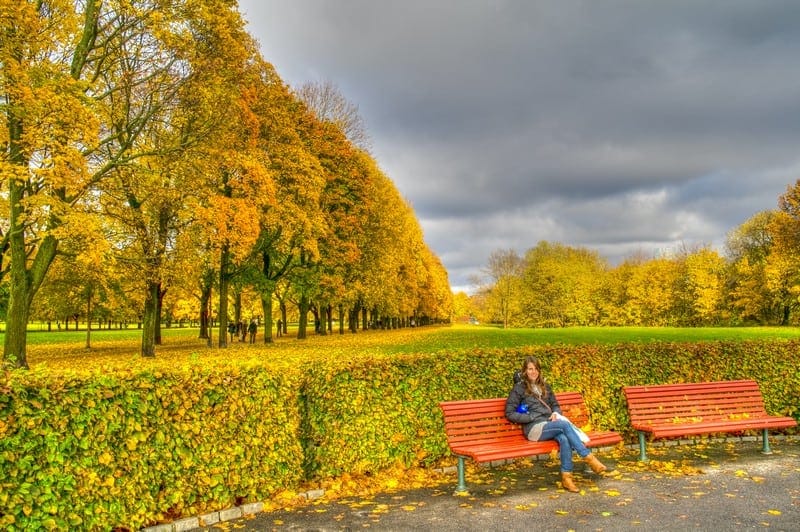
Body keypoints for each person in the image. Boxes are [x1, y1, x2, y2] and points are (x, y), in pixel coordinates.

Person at [505, 356, 607, 493]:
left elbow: (555, 405)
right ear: (524, 371)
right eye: (530, 369)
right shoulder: (519, 389)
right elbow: (510, 413)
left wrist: (555, 413)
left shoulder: (545, 386)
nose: (533, 372)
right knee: (564, 426)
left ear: (539, 371)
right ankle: (588, 457)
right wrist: (529, 417)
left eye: (536, 369)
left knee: (564, 439)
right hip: (534, 428)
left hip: (550, 424)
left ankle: (567, 478)